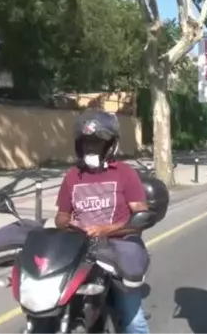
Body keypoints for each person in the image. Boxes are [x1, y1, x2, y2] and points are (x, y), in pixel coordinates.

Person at [54, 109, 150, 334]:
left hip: (119, 247)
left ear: (110, 145)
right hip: (80, 250)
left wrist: (107, 229)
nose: (90, 148)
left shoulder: (125, 173)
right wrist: (69, 224)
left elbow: (141, 217)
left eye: (96, 143)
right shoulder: (71, 176)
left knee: (133, 319)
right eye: (86, 143)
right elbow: (61, 216)